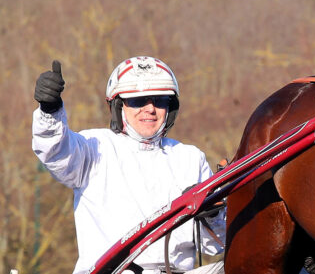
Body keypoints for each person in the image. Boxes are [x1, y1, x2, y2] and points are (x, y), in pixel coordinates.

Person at [32, 56, 225, 274]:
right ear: (118, 105)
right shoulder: (95, 147)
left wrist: (213, 213)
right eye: (138, 100)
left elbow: (215, 245)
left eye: (159, 100)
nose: (150, 109)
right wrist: (50, 111)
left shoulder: (190, 158)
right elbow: (55, 151)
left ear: (170, 108)